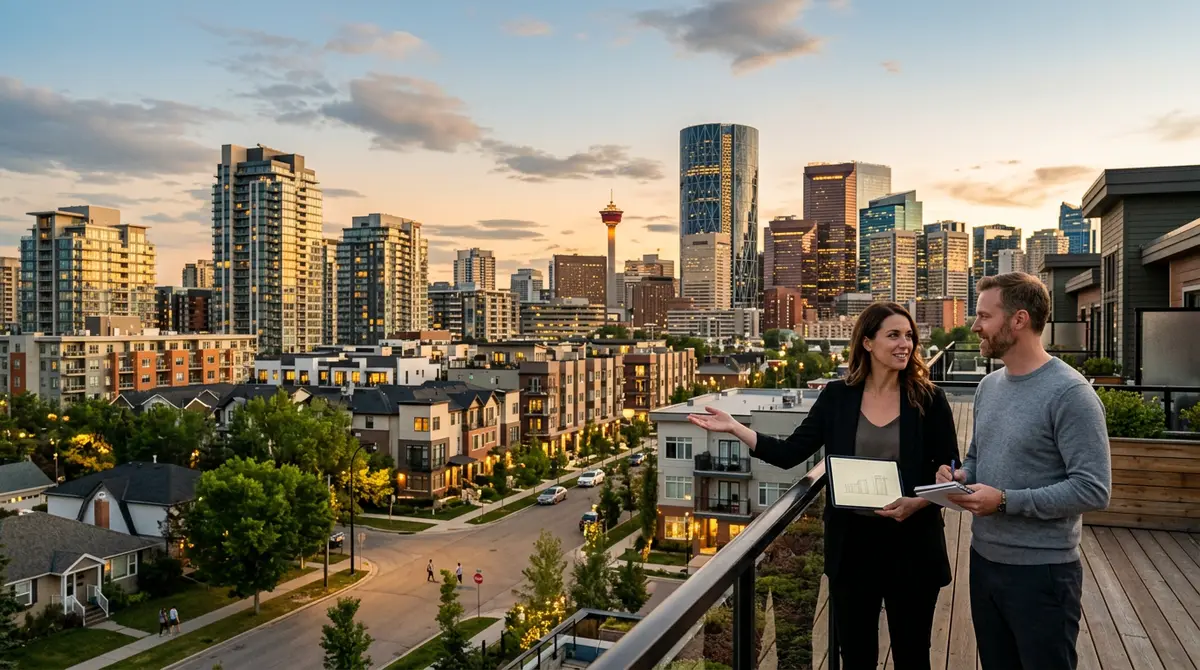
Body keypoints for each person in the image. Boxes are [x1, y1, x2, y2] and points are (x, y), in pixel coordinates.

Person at [689, 302, 959, 670]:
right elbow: (791, 453)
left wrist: (923, 497)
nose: (905, 344)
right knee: (857, 658)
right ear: (867, 342)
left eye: (909, 336)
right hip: (854, 548)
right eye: (894, 335)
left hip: (911, 545)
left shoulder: (928, 398)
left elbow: (948, 468)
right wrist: (737, 428)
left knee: (913, 657)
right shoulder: (837, 397)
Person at [942, 272, 1110, 669]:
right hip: (984, 563)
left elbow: (1092, 489)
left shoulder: (1071, 395)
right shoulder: (989, 386)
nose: (975, 325)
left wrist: (1004, 501)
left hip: (1043, 575)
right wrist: (961, 477)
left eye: (984, 315)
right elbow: (976, 459)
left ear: (1018, 320)